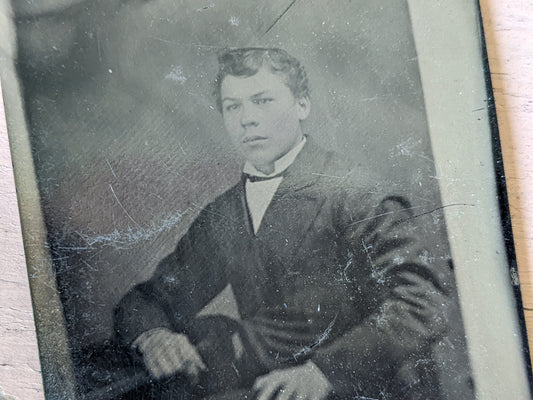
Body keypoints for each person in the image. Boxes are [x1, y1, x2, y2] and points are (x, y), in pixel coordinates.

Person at [114, 47, 469, 400]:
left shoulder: (357, 194)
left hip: (365, 388)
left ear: (302, 105)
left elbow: (422, 303)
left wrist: (326, 371)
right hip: (272, 387)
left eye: (262, 101)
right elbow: (148, 299)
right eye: (232, 106)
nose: (246, 119)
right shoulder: (225, 214)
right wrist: (154, 336)